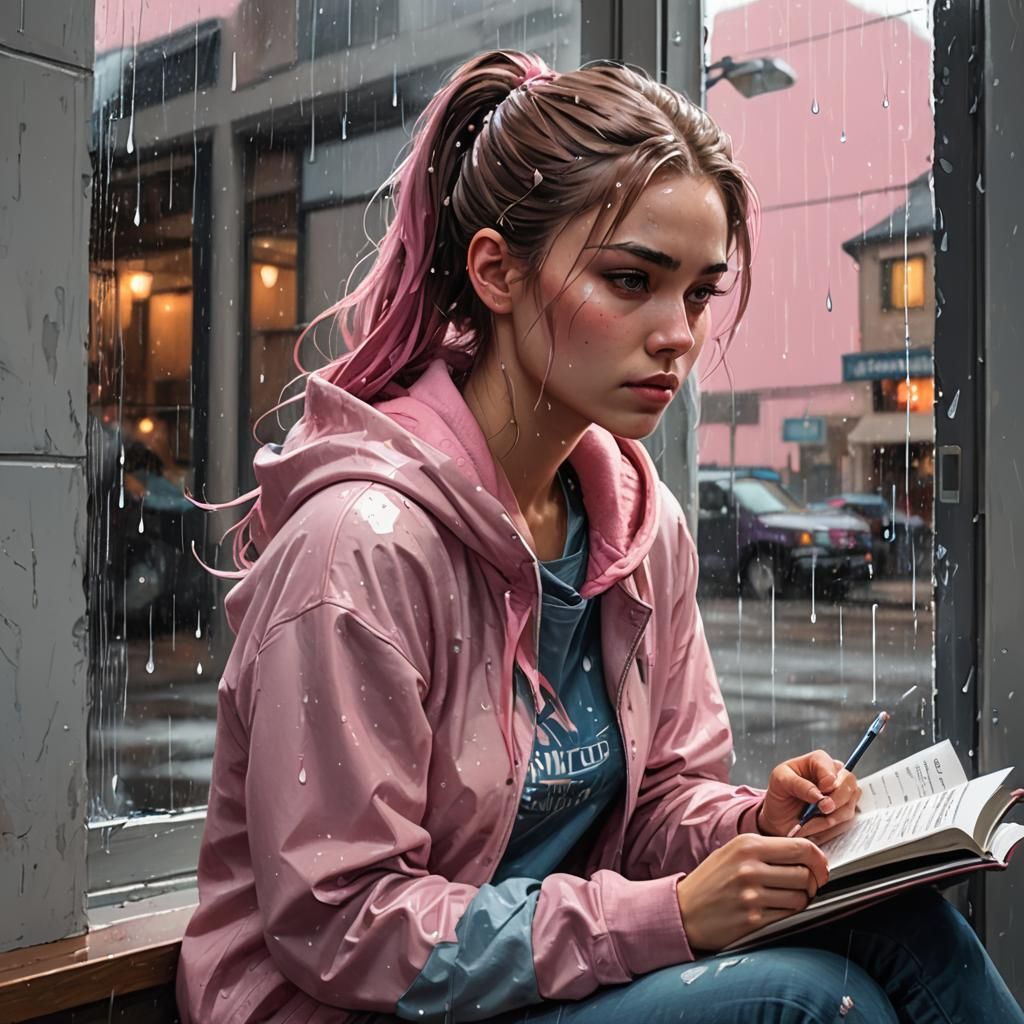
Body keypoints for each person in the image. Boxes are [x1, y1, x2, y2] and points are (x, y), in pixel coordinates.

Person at [176, 50, 1024, 1024]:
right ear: (496, 270)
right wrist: (663, 916)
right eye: (630, 280)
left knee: (904, 924)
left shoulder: (638, 526)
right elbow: (343, 923)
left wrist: (753, 823)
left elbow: (660, 800)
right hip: (360, 1006)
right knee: (805, 1000)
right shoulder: (358, 548)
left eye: (700, 293)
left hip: (540, 981)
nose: (677, 334)